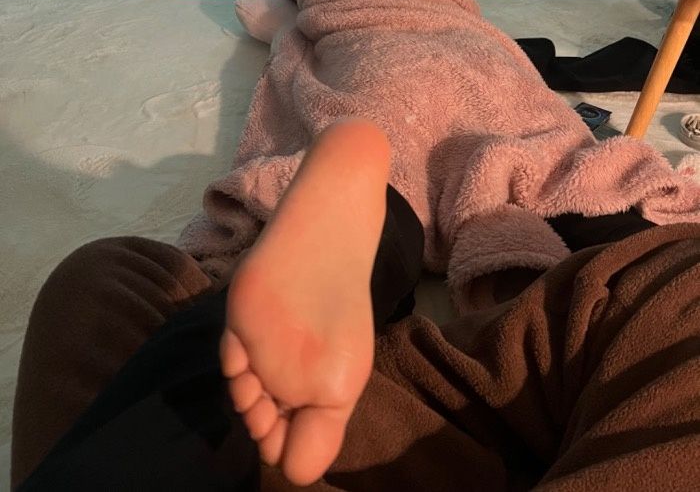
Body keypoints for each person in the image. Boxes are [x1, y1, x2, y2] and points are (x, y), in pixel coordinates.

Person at [11, 120, 700, 491]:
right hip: (517, 408)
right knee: (108, 279)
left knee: (125, 290)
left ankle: (384, 231)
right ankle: (379, 236)